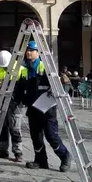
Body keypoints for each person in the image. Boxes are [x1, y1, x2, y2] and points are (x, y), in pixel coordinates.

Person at [14, 40, 71, 172]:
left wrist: (55, 90)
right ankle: (40, 160)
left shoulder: (46, 67)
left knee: (51, 136)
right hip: (33, 109)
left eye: (31, 50)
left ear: (38, 53)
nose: (28, 52)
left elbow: (64, 84)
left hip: (47, 110)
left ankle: (65, 156)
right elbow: (20, 87)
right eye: (27, 50)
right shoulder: (23, 69)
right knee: (36, 137)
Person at [0, 50, 24, 162]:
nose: (4, 69)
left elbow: (23, 85)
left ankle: (18, 152)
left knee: (15, 127)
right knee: (1, 127)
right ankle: (3, 150)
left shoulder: (20, 69)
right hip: (0, 100)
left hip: (14, 102)